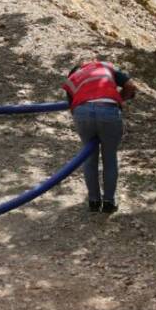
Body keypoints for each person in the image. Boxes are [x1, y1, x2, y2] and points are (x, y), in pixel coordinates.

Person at [61, 60, 138, 214]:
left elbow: (71, 105)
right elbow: (131, 86)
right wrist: (119, 99)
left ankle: (93, 201)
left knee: (89, 158)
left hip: (82, 112)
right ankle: (109, 202)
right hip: (109, 110)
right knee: (109, 158)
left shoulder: (75, 74)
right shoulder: (107, 68)